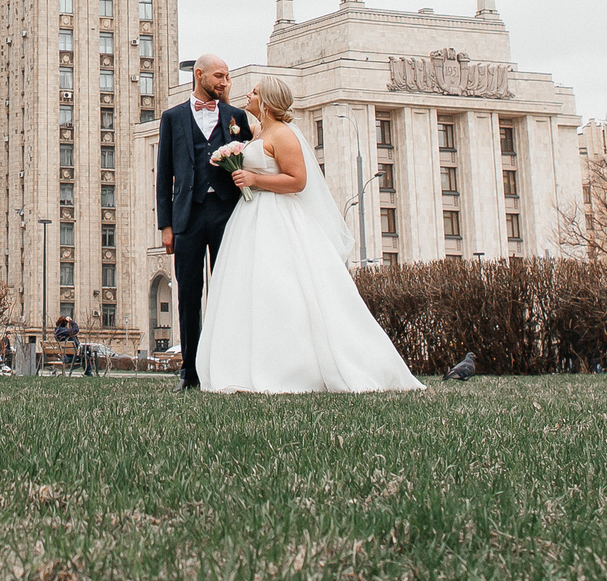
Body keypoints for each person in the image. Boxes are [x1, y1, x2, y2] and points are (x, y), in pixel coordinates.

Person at [196, 75, 424, 394]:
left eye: (255, 92)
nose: (249, 95)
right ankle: (248, 365)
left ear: (267, 101)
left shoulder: (284, 135)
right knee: (251, 288)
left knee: (285, 287)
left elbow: (297, 181)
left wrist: (254, 180)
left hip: (278, 216)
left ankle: (296, 369)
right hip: (252, 217)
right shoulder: (260, 131)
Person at [155, 53, 255, 390]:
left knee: (227, 291)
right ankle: (191, 372)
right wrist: (166, 226)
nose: (225, 83)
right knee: (188, 294)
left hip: (227, 213)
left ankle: (227, 368)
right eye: (219, 77)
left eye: (227, 77)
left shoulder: (236, 116)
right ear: (199, 75)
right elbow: (164, 175)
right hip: (188, 216)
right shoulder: (173, 117)